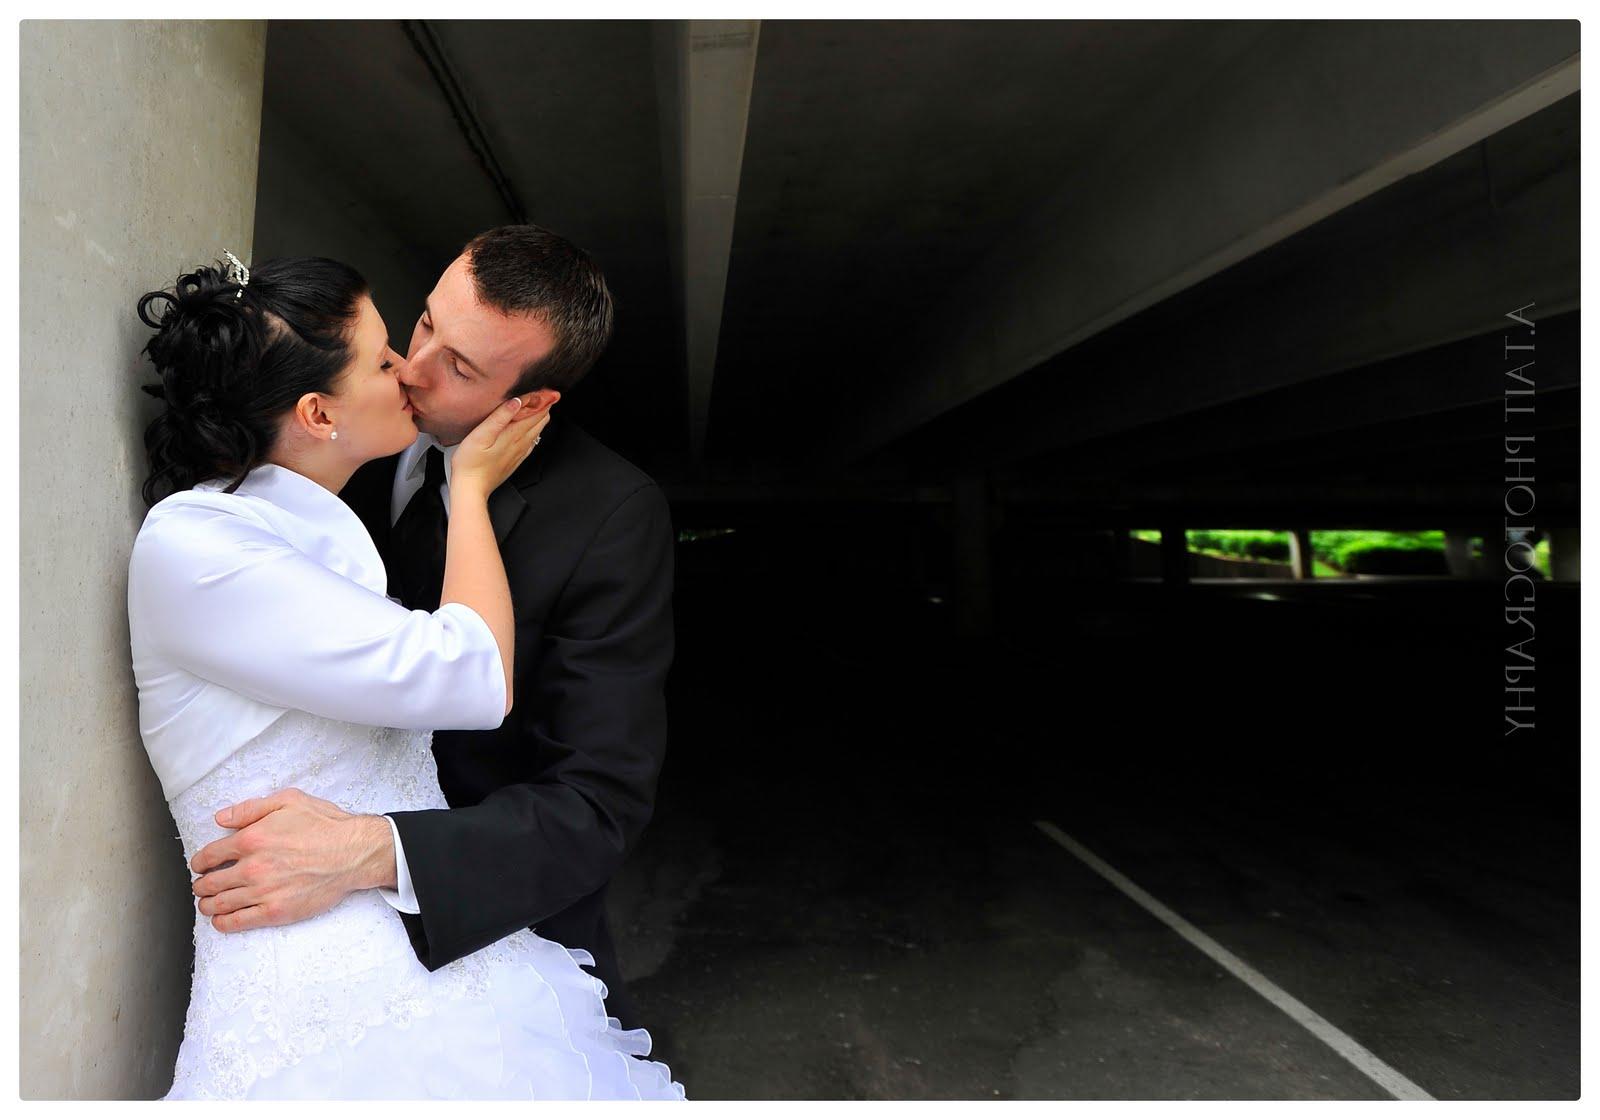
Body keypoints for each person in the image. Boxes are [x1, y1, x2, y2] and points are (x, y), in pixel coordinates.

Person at [128, 253, 684, 1099]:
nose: (413, 370)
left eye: (458, 366)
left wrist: (372, 850)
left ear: (529, 401)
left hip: (487, 942)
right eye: (421, 325)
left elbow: (597, 801)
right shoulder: (304, 474)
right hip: (302, 971)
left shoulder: (608, 514)